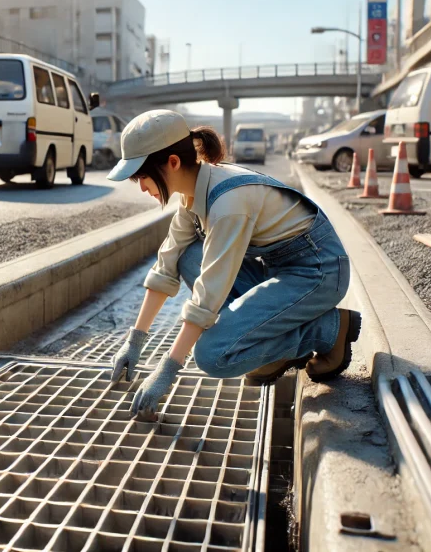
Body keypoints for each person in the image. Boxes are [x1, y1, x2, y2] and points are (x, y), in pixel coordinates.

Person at [105, 110, 361, 418]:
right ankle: (266, 335)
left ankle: (328, 329)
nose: (141, 187)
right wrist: (134, 343)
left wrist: (167, 369)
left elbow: (208, 296)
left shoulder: (227, 203)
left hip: (318, 272)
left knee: (213, 354)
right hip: (280, 268)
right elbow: (166, 264)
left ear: (172, 162)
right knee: (188, 256)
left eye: (141, 177)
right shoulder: (194, 191)